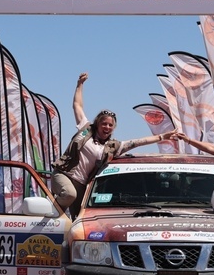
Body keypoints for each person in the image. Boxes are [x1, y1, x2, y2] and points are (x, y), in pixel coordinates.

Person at [51, 72, 174, 218]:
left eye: (110, 125)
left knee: (79, 218)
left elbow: (138, 142)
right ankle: (49, 212)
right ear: (97, 124)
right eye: (104, 123)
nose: (107, 127)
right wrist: (80, 85)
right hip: (64, 174)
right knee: (69, 194)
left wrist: (161, 137)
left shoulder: (113, 146)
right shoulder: (85, 129)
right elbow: (77, 105)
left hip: (83, 184)